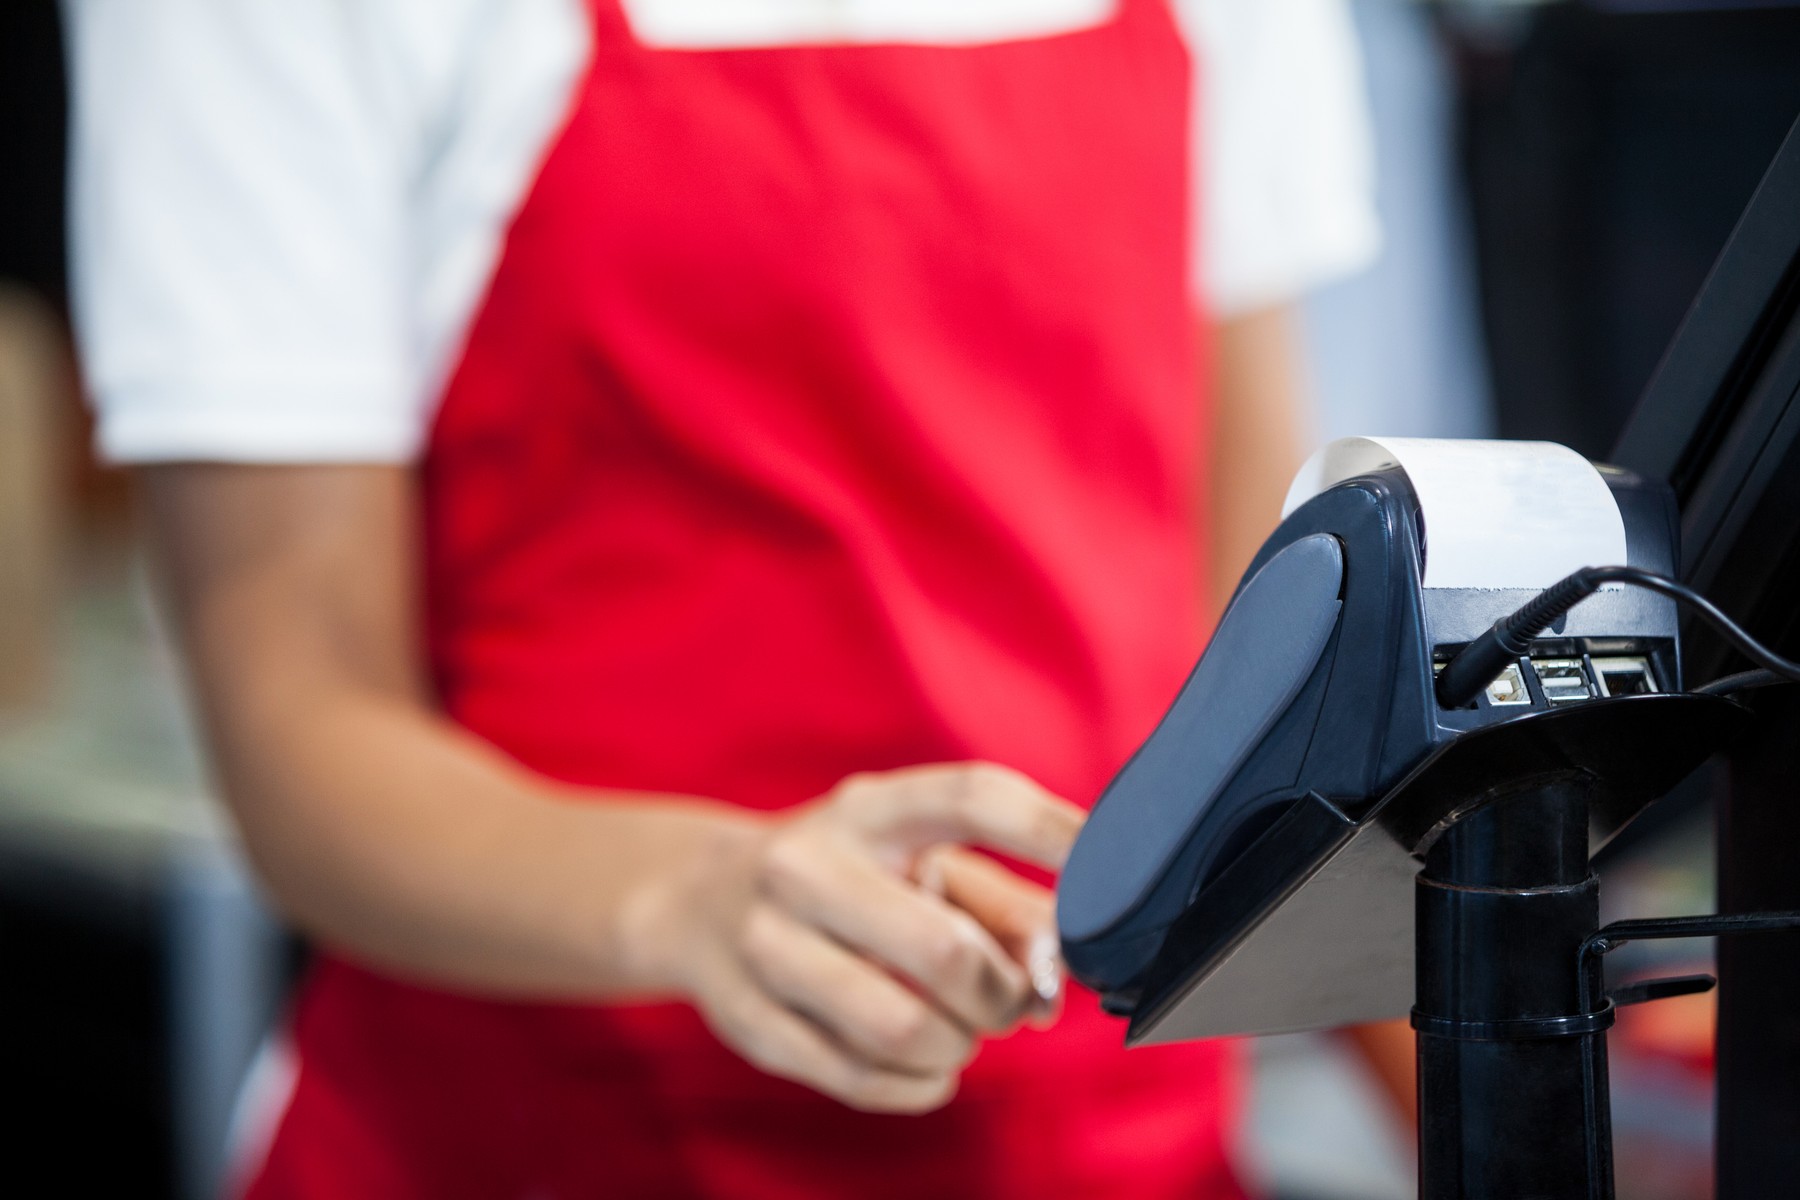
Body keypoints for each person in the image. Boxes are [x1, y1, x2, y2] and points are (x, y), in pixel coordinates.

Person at [65, 1, 1389, 1196]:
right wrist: (699, 897)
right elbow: (301, 728)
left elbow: (1263, 653)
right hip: (545, 1135)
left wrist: (1509, 1069)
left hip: (1116, 1147)